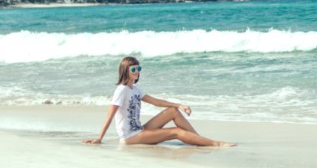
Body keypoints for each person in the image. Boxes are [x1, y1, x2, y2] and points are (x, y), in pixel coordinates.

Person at [83, 56, 235, 147]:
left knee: (172, 112)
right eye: (134, 69)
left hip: (139, 130)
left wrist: (179, 105)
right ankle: (216, 144)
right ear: (125, 71)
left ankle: (198, 140)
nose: (137, 72)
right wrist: (99, 138)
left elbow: (155, 102)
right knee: (176, 132)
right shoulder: (121, 90)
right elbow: (110, 115)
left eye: (139, 68)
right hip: (129, 137)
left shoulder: (135, 88)